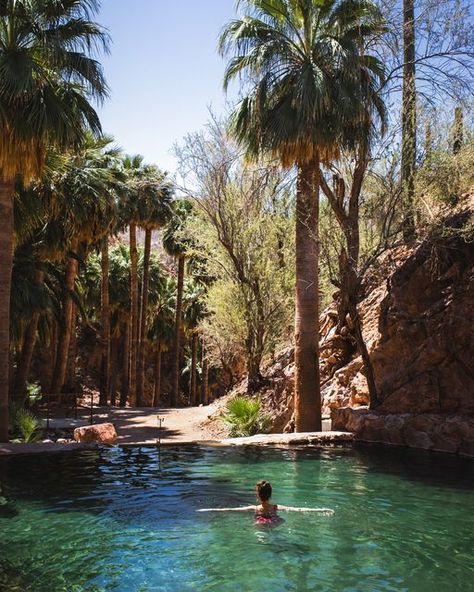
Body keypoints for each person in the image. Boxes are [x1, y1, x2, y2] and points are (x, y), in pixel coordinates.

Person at [197, 480, 334, 524]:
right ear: (270, 494)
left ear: (258, 495)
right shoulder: (276, 507)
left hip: (260, 523)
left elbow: (229, 510)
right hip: (275, 522)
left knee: (261, 536)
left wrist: (207, 510)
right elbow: (298, 510)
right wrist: (322, 510)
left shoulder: (254, 508)